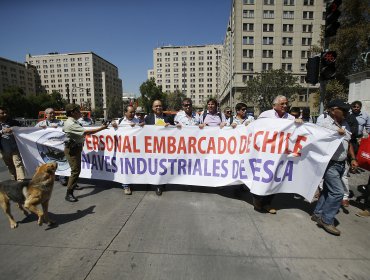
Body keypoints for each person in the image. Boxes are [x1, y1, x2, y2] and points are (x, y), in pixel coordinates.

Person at [311, 99, 358, 236]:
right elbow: (319, 137)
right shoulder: (323, 121)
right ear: (333, 110)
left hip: (342, 163)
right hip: (329, 163)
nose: (346, 112)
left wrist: (353, 158)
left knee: (327, 191)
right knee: (337, 192)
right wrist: (337, 132)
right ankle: (327, 220)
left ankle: (317, 213)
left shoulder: (345, 123)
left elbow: (348, 142)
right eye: (342, 109)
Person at [255, 95, 302, 214]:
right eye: (282, 104)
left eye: (286, 103)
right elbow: (255, 129)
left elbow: (298, 133)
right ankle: (257, 199)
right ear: (274, 105)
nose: (285, 106)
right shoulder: (265, 115)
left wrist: (299, 124)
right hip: (265, 153)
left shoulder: (291, 118)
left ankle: (267, 203)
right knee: (262, 177)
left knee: (276, 178)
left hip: (281, 154)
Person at [63, 104, 109, 202]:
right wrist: (102, 128)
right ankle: (69, 193)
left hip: (75, 148)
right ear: (72, 112)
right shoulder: (70, 124)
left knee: (75, 169)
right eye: (78, 111)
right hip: (72, 149)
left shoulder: (73, 122)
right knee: (75, 170)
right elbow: (86, 132)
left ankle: (72, 185)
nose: (80, 112)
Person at [145, 100, 174, 196]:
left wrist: (172, 126)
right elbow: (142, 131)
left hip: (165, 148)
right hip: (152, 148)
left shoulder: (168, 118)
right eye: (156, 106)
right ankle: (158, 185)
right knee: (155, 167)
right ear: (153, 108)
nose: (158, 107)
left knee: (164, 166)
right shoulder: (147, 119)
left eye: (160, 106)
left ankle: (161, 184)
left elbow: (175, 131)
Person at [112, 105, 141, 195]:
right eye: (131, 112)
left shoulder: (137, 120)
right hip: (123, 150)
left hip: (134, 149)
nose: (133, 114)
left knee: (133, 167)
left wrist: (138, 125)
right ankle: (126, 186)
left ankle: (131, 182)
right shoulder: (120, 121)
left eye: (133, 112)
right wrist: (113, 123)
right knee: (125, 167)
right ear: (125, 113)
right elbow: (110, 125)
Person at [35, 107, 67, 185]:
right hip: (47, 148)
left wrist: (59, 128)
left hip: (59, 146)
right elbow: (33, 133)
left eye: (54, 113)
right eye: (50, 113)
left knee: (61, 161)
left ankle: (62, 177)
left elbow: (67, 129)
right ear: (46, 115)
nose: (53, 114)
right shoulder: (41, 124)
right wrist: (40, 129)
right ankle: (52, 176)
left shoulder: (60, 122)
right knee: (49, 162)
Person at [0, 107, 26, 181]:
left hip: (14, 147)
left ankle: (21, 180)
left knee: (18, 163)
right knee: (9, 165)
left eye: (6, 113)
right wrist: (2, 132)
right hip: (3, 149)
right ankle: (14, 177)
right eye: (2, 113)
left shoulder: (13, 122)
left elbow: (24, 128)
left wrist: (12, 128)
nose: (5, 114)